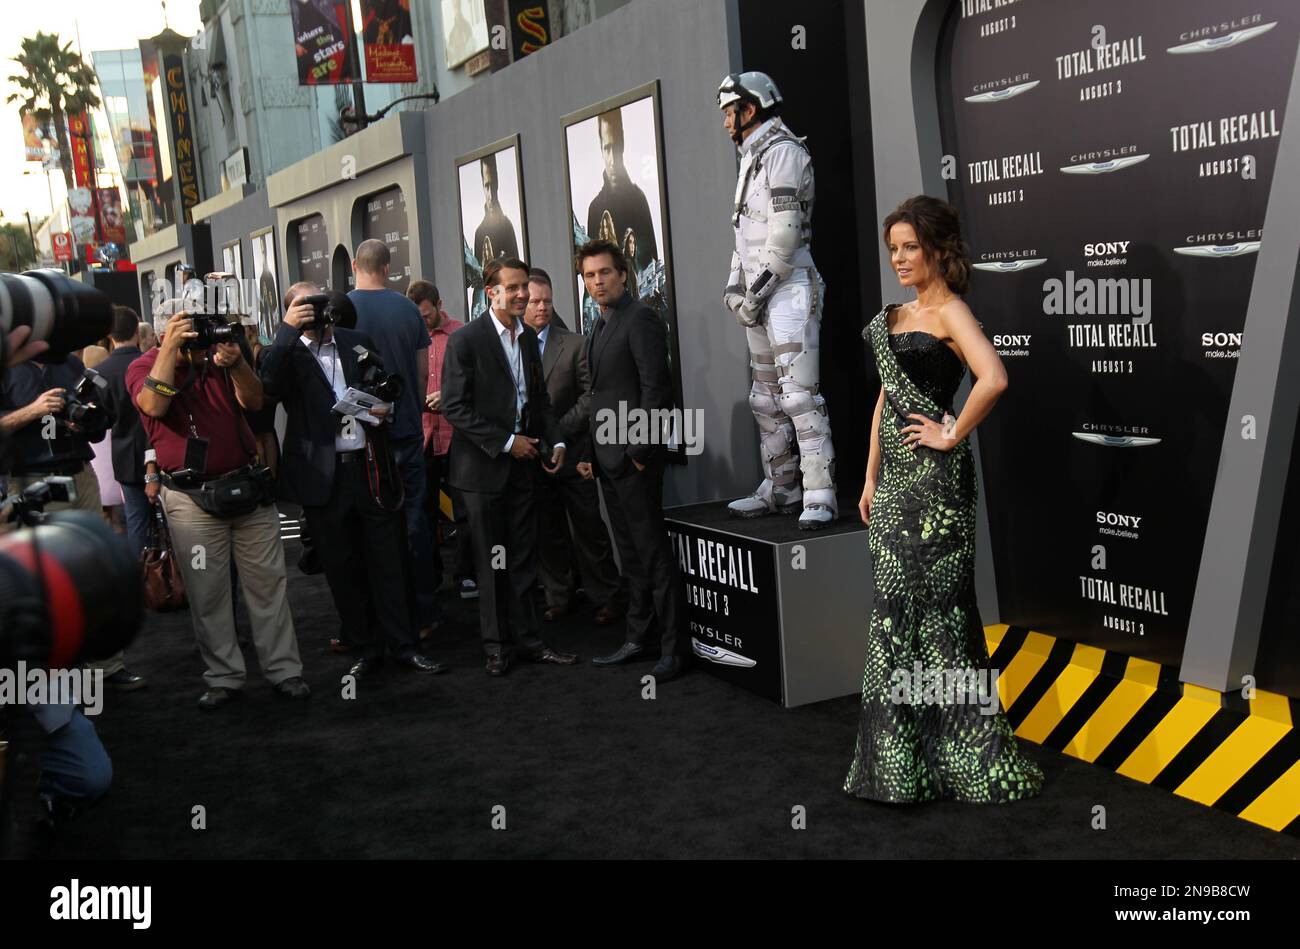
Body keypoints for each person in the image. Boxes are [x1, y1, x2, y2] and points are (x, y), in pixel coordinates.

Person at [845, 195, 1043, 804]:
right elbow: (885, 399)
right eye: (894, 250)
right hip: (895, 483)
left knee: (941, 618)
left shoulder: (953, 312)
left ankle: (967, 756)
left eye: (910, 247)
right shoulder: (897, 315)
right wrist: (871, 476)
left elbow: (995, 377)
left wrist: (951, 432)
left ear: (937, 249)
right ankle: (903, 765)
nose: (900, 259)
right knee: (893, 617)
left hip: (935, 486)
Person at [128, 300, 309, 709]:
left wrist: (236, 363)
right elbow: (154, 405)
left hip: (248, 488)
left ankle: (284, 670)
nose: (196, 335)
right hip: (191, 501)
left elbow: (254, 401)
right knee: (207, 592)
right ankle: (224, 676)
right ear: (163, 331)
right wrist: (172, 350)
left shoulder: (220, 357)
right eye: (184, 328)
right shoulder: (145, 366)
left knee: (269, 586)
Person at [261, 281, 446, 678]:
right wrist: (285, 331)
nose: (317, 311)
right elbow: (266, 391)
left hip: (371, 465)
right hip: (323, 476)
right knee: (342, 566)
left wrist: (384, 408)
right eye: (306, 305)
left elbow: (386, 385)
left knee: (389, 558)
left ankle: (404, 644)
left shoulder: (356, 340)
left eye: (321, 301)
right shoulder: (286, 352)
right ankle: (365, 647)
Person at [440, 257, 578, 676]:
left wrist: (554, 439)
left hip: (525, 468)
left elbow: (540, 403)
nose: (522, 295)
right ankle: (496, 647)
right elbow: (454, 407)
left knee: (522, 559)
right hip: (482, 473)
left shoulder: (527, 339)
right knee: (491, 562)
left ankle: (530, 642)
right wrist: (505, 442)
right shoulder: (466, 341)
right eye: (513, 287)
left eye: (525, 287)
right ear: (491, 293)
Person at [717, 71, 837, 531]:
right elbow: (743, 233)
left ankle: (820, 492)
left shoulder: (783, 152)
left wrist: (752, 294)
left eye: (731, 111)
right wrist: (736, 289)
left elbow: (784, 239)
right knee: (765, 399)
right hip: (762, 293)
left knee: (798, 396)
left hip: (788, 290)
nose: (727, 120)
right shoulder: (753, 156)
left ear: (751, 109)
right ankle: (782, 485)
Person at [0, 333, 145, 691]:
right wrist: (34, 410)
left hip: (81, 475)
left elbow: (101, 421)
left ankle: (107, 666)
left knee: (96, 572)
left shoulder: (69, 363)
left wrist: (87, 420)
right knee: (45, 581)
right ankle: (56, 675)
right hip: (33, 481)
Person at [580, 240, 686, 682]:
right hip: (609, 461)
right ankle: (637, 637)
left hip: (633, 460)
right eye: (589, 275)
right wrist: (593, 455)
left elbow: (655, 389)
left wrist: (640, 454)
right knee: (632, 557)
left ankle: (674, 651)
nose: (598, 281)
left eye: (605, 272)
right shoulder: (600, 324)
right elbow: (597, 398)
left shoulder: (640, 318)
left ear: (623, 274)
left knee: (654, 556)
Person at [348, 239, 441, 637]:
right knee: (415, 524)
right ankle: (423, 615)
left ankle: (381, 619)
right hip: (405, 433)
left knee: (370, 530)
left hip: (360, 440)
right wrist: (415, 409)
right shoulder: (408, 309)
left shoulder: (343, 311)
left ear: (355, 265)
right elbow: (421, 374)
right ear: (388, 268)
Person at [523, 268, 625, 626]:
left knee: (588, 530)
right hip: (529, 456)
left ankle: (608, 597)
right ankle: (558, 596)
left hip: (573, 452)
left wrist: (558, 433)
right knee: (546, 531)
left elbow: (590, 397)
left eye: (547, 301)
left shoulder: (576, 344)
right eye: (535, 301)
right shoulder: (509, 348)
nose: (542, 307)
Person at [407, 279, 477, 602]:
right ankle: (430, 577)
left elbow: (476, 383)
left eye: (426, 315)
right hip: (423, 436)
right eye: (417, 316)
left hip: (457, 436)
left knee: (464, 511)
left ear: (438, 304)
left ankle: (466, 575)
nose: (423, 322)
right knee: (423, 511)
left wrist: (446, 397)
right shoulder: (409, 338)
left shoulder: (461, 335)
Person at [96, 305, 157, 557]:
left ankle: (144, 581)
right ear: (137, 331)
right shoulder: (151, 366)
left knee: (136, 522)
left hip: (124, 456)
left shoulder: (99, 374)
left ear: (110, 334)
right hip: (161, 450)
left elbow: (101, 421)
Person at [586, 109, 658, 275]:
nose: (612, 159)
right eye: (607, 148)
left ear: (623, 144)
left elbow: (652, 266)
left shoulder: (638, 200)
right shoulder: (595, 209)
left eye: (615, 146)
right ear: (601, 150)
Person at [472, 153, 520, 266]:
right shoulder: (479, 233)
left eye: (492, 185)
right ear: (482, 186)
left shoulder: (507, 227)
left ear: (497, 182)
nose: (491, 195)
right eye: (487, 186)